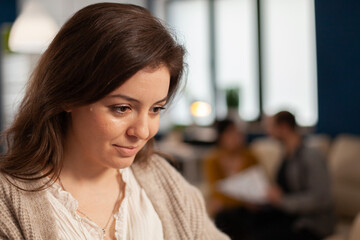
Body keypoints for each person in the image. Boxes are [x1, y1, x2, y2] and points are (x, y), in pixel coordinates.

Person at [0, 3, 229, 240]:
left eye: (156, 109)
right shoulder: (7, 204)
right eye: (122, 108)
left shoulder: (161, 180)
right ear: (68, 95)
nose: (142, 131)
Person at [229, 111, 334, 240]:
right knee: (231, 217)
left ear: (283, 127)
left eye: (271, 127)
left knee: (259, 235)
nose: (268, 131)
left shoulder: (311, 157)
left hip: (307, 223)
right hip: (283, 213)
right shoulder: (286, 155)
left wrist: (282, 201)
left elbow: (320, 199)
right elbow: (280, 191)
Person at [203, 119, 258, 216]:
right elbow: (216, 193)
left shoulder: (250, 156)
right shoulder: (213, 160)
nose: (235, 136)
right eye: (230, 132)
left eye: (237, 132)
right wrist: (243, 200)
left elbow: (258, 188)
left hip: (248, 212)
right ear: (221, 136)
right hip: (227, 212)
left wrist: (226, 200)